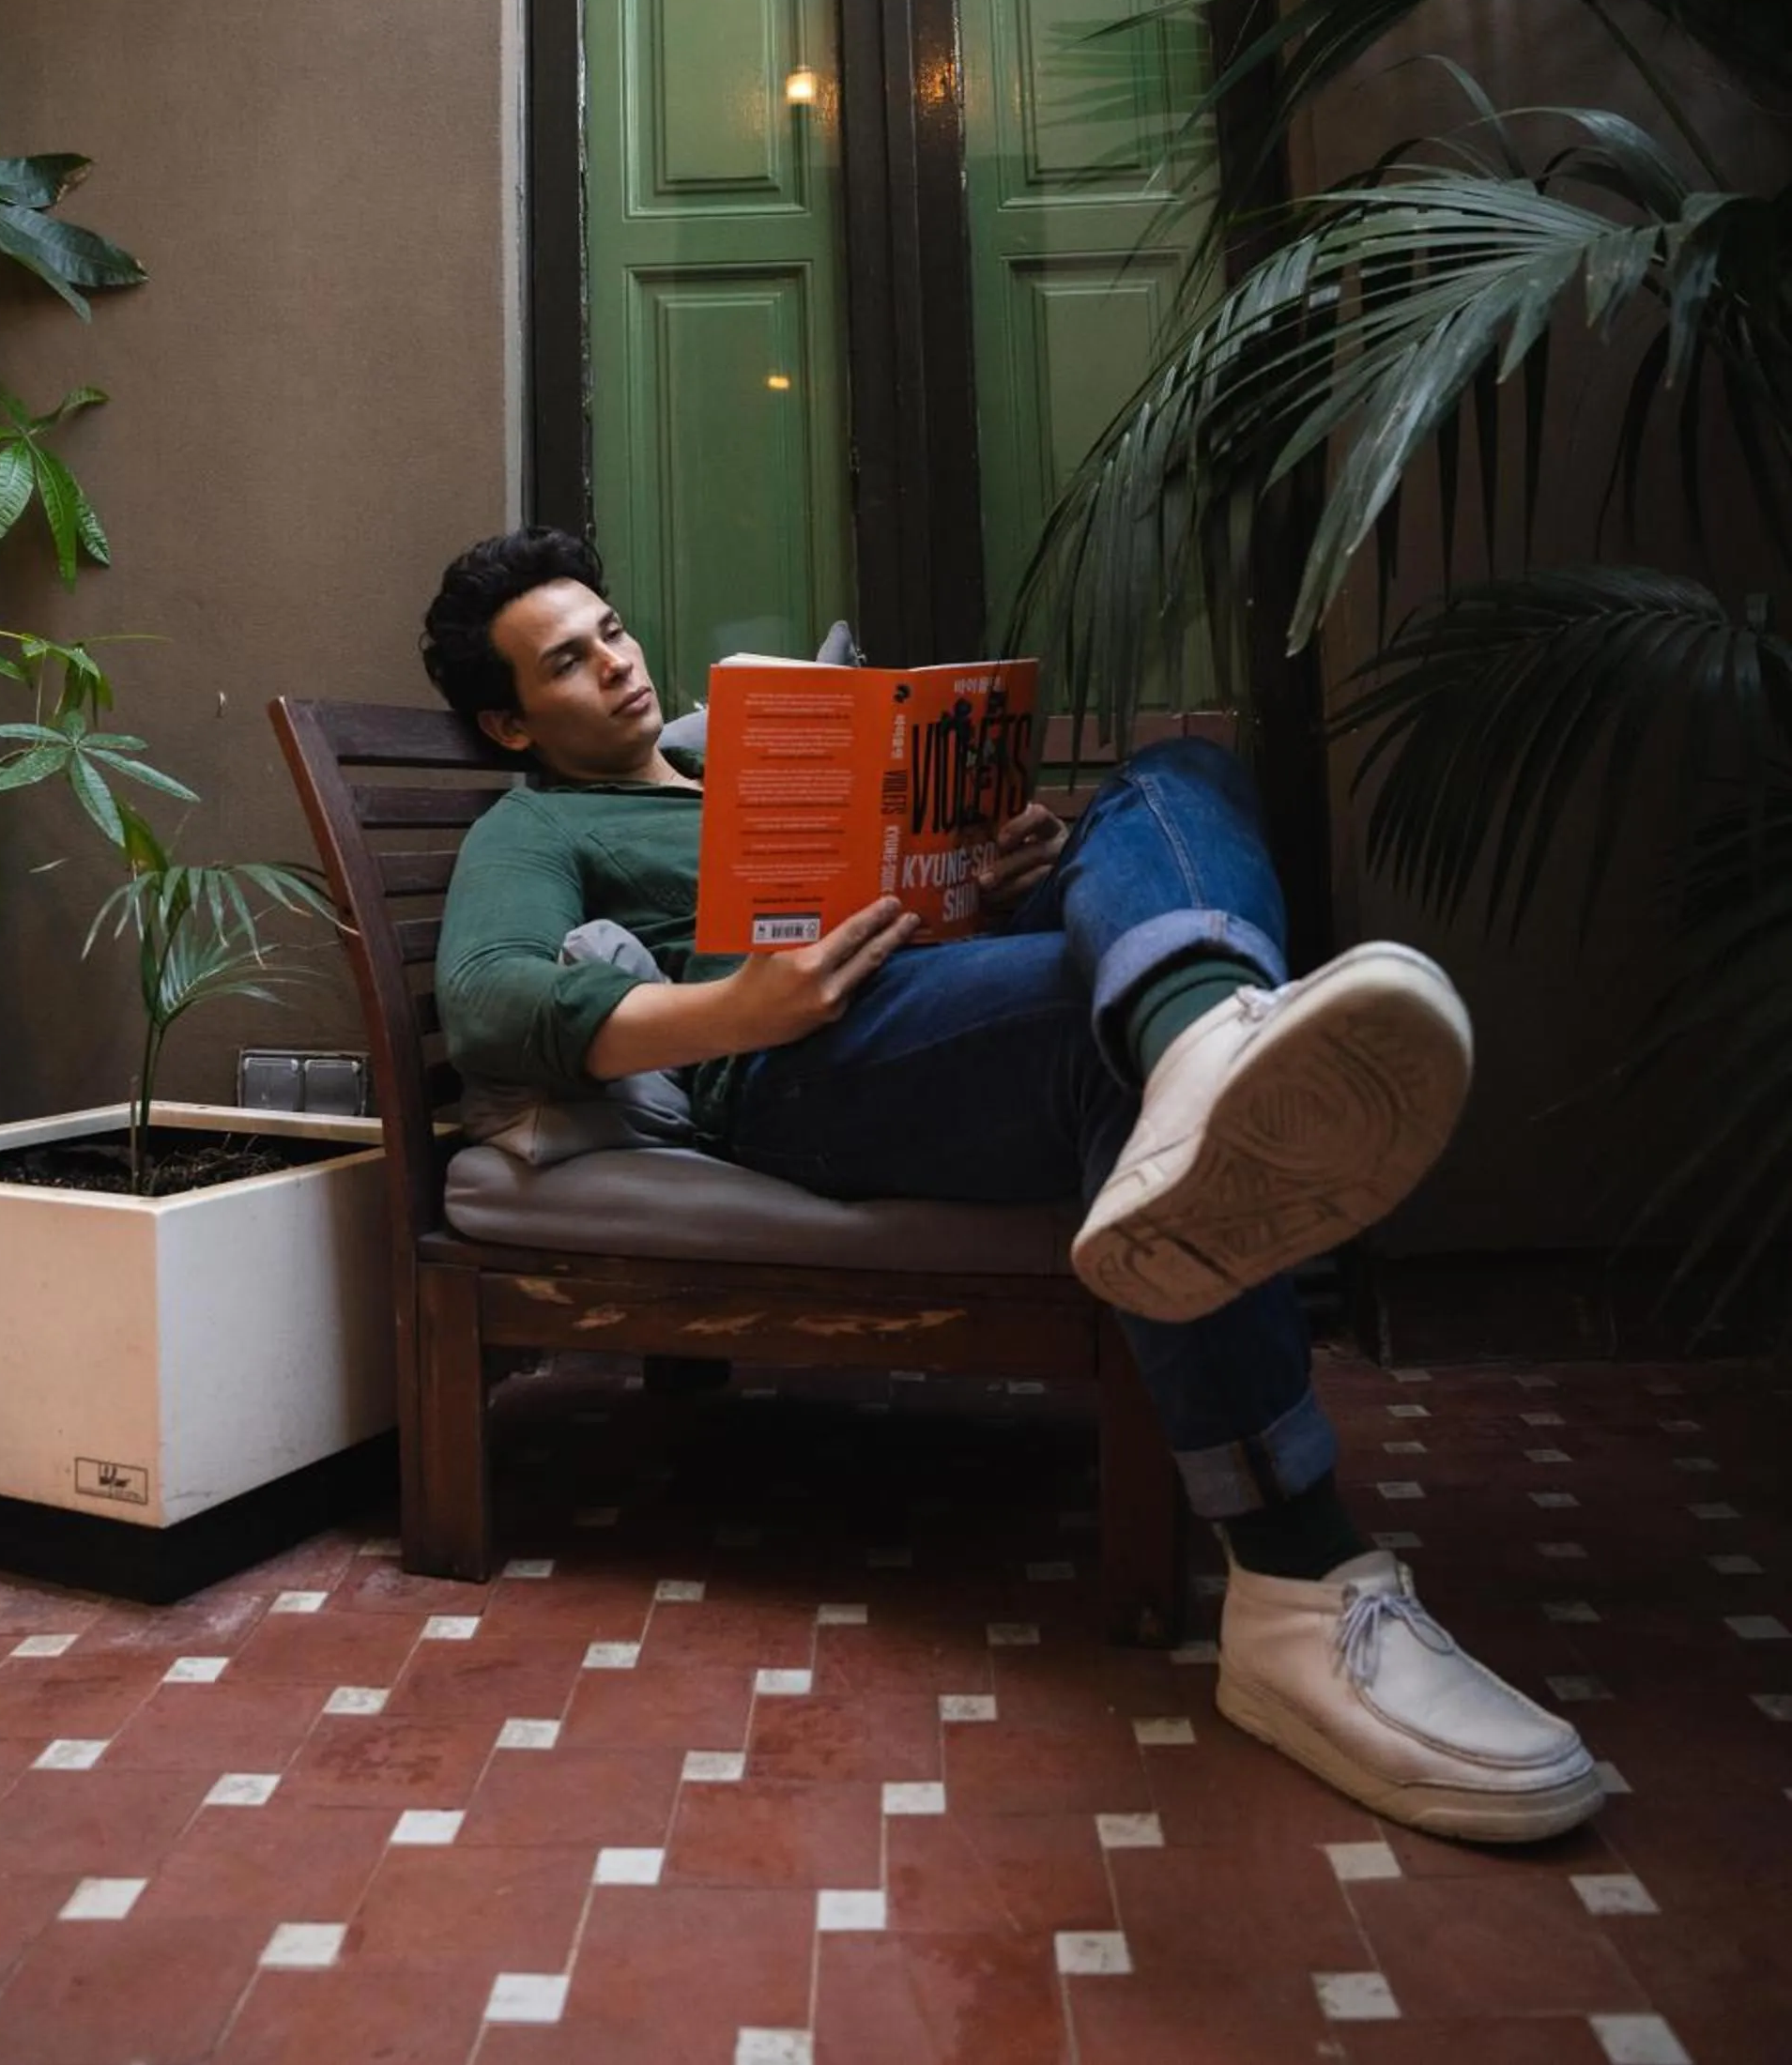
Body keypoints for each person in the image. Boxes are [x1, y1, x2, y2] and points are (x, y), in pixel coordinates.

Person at [422, 524, 1601, 1846]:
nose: (618, 667)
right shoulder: (535, 826)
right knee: (1100, 1046)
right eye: (567, 664)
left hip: (926, 986)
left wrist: (991, 878)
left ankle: (1198, 1038)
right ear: (510, 725)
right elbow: (484, 1000)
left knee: (1176, 774)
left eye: (613, 632)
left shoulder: (718, 773)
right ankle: (1299, 1584)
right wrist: (733, 1014)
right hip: (800, 1069)